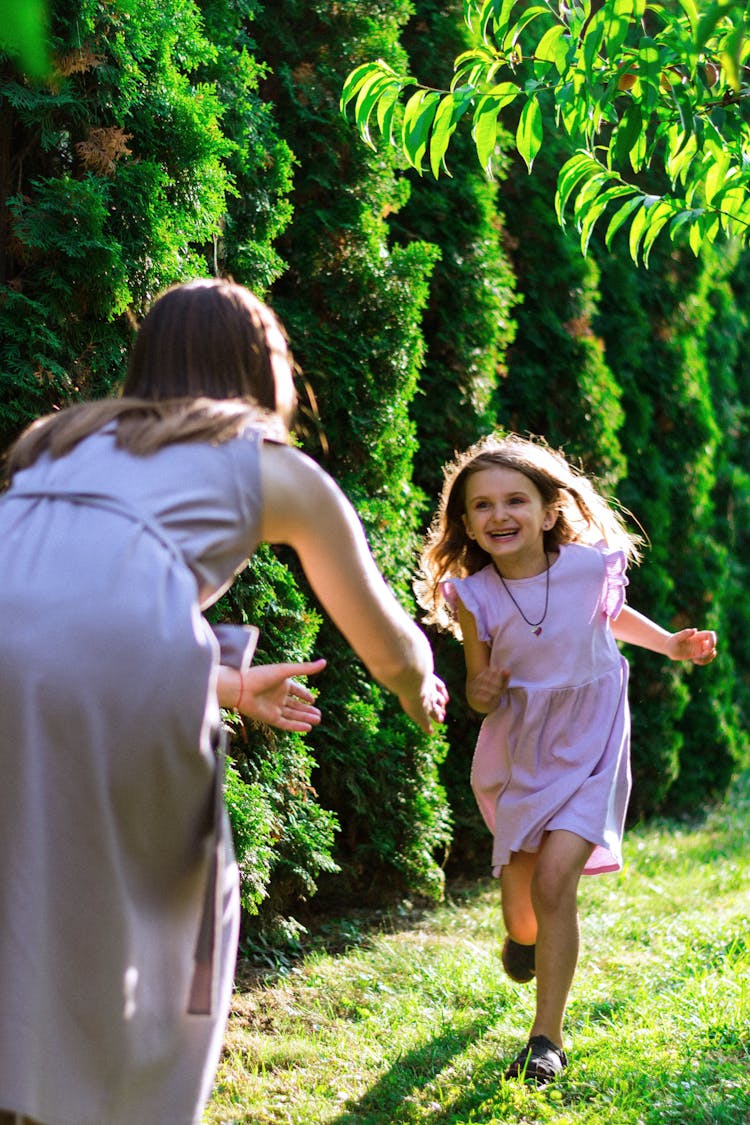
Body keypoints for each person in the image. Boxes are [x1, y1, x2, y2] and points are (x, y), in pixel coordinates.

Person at [0, 278, 448, 1125]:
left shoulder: (54, 440)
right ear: (259, 367)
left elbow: (56, 617)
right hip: (111, 677)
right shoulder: (264, 464)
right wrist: (417, 681)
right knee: (177, 903)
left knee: (20, 875)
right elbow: (383, 631)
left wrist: (232, 685)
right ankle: (107, 1102)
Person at [415, 432, 716, 1086]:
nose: (500, 515)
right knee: (521, 895)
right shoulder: (476, 596)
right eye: (482, 506)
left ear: (550, 510)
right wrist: (481, 688)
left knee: (556, 882)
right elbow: (477, 685)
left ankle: (545, 1037)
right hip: (524, 744)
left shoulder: (585, 566)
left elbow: (610, 618)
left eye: (515, 500)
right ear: (465, 522)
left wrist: (670, 643)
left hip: (594, 735)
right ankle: (522, 939)